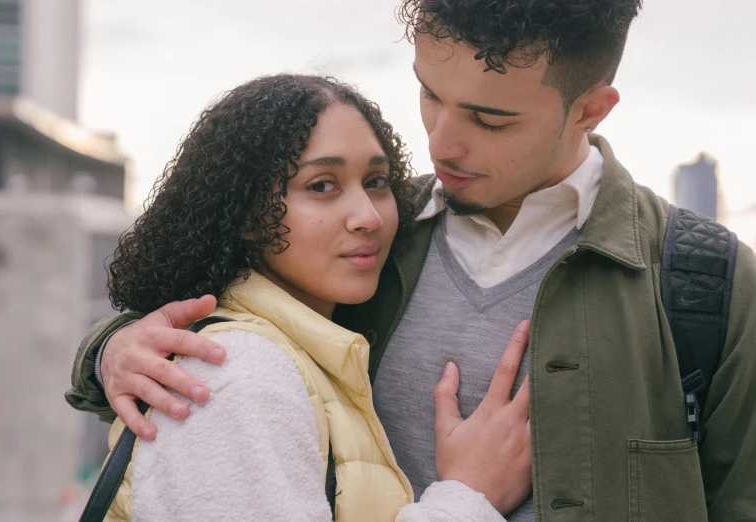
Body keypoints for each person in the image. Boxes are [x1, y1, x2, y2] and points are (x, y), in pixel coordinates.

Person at [68, 1, 756, 520]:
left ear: (591, 110)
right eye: (429, 94)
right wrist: (113, 349)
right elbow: (230, 327)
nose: (441, 144)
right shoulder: (366, 241)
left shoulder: (708, 285)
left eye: (489, 120)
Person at [89, 73, 532, 521]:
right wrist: (469, 496)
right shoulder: (236, 372)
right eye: (322, 185)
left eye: (377, 181)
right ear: (247, 215)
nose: (368, 217)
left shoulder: (309, 354)